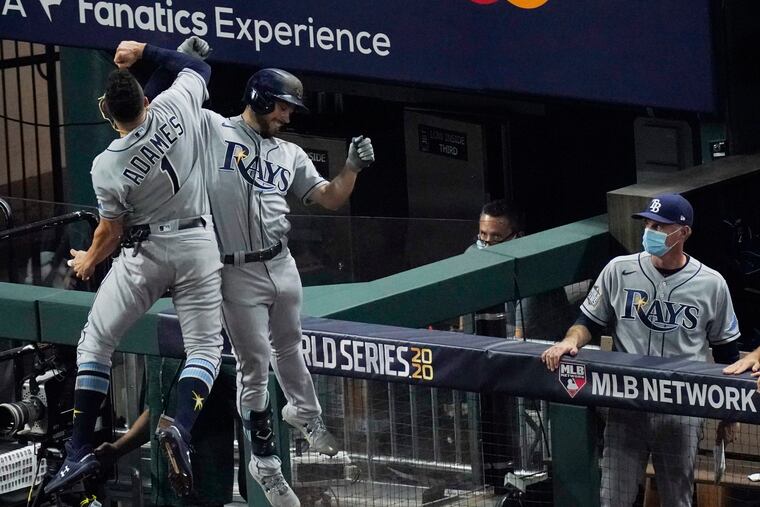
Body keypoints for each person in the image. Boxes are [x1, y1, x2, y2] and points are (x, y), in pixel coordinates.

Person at [157, 41, 374, 506]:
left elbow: (331, 197)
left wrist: (352, 169)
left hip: (281, 260)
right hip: (234, 271)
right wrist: (179, 56)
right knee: (254, 365)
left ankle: (306, 413)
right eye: (283, 107)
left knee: (291, 346)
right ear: (258, 99)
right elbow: (163, 106)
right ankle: (265, 463)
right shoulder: (212, 128)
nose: (289, 116)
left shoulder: (290, 153)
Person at [44, 39, 223, 498]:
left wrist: (87, 259)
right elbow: (193, 67)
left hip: (147, 254)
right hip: (199, 242)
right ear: (147, 100)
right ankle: (180, 425)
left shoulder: (107, 165)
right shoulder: (175, 105)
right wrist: (148, 52)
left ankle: (80, 446)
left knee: (97, 342)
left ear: (107, 112)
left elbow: (110, 232)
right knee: (204, 349)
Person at [541, 193, 741, 507]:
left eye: (660, 226)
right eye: (648, 223)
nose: (650, 230)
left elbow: (728, 353)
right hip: (626, 402)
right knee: (613, 499)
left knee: (677, 499)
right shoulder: (618, 270)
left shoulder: (711, 283)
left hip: (681, 405)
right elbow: (587, 321)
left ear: (684, 232)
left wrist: (730, 415)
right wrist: (571, 340)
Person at [471, 199, 572, 339]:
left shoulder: (531, 271)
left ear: (517, 237)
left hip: (543, 349)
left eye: (496, 237)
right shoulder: (473, 255)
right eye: (483, 234)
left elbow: (520, 339)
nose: (488, 244)